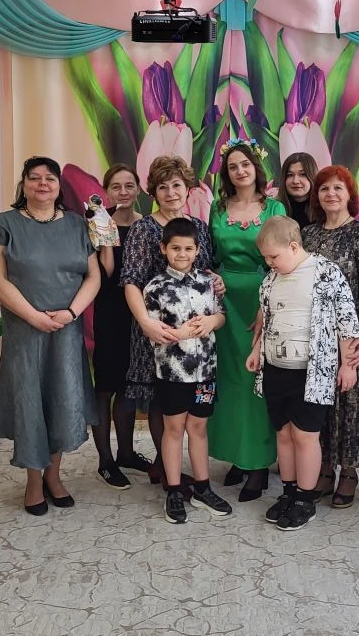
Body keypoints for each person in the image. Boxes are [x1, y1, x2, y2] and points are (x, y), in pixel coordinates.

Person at [0, 156, 101, 515]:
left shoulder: (78, 224)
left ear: (58, 185)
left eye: (49, 178)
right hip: (24, 329)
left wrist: (70, 313)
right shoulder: (5, 223)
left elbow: (93, 276)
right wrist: (33, 316)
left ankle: (54, 475)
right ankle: (33, 481)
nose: (42, 184)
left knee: (62, 399)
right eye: (34, 178)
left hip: (66, 329)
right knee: (30, 401)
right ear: (24, 184)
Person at [246, 216, 359, 531]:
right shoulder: (271, 279)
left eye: (274, 256)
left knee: (305, 435)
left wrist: (348, 365)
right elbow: (266, 319)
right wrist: (256, 351)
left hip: (312, 373)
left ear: (294, 246)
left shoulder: (326, 273)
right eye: (266, 258)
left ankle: (305, 499)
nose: (269, 263)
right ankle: (288, 491)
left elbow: (345, 321)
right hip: (276, 370)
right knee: (283, 433)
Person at [121, 155, 219, 492]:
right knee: (161, 396)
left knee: (188, 401)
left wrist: (216, 280)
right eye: (163, 187)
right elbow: (131, 280)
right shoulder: (143, 229)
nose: (171, 192)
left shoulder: (199, 227)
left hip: (196, 336)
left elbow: (204, 270)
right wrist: (145, 322)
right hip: (156, 327)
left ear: (188, 188)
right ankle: (165, 470)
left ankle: (177, 469)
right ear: (153, 192)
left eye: (177, 185)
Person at [302, 165, 359, 508]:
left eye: (338, 188)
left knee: (351, 404)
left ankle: (348, 472)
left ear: (350, 195)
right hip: (314, 335)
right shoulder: (307, 235)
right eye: (324, 189)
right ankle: (323, 468)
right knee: (318, 403)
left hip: (351, 335)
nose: (331, 194)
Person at [208, 141, 286, 502]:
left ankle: (258, 465)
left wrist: (265, 304)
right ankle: (237, 456)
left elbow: (281, 260)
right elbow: (209, 255)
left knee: (256, 379)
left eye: (245, 164)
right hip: (224, 299)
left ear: (256, 167)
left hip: (261, 295)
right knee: (230, 379)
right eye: (233, 166)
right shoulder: (217, 207)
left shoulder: (274, 207)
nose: (240, 171)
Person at [144, 219, 232, 523]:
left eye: (188, 248)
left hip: (205, 372)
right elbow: (152, 331)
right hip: (173, 373)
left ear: (197, 250)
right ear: (164, 249)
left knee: (198, 427)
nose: (182, 254)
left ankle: (202, 488)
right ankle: (173, 490)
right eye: (176, 248)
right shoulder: (155, 288)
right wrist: (181, 333)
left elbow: (221, 315)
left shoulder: (208, 282)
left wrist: (212, 321)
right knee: (173, 429)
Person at [90, 164, 151, 489]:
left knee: (129, 384)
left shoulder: (146, 224)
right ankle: (105, 461)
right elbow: (107, 273)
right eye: (116, 186)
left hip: (140, 315)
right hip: (111, 311)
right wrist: (106, 237)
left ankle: (126, 453)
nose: (123, 192)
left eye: (129, 185)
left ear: (138, 189)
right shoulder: (99, 222)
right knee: (106, 387)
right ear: (107, 191)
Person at [276, 152, 318, 229]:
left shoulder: (324, 209)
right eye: (290, 175)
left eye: (302, 174)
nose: (295, 181)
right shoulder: (275, 208)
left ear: (312, 176)